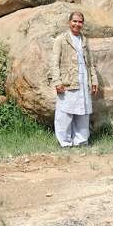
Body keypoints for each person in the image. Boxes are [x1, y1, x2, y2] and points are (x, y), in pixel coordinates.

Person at [49, 11, 98, 147]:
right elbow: (54, 62)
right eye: (74, 21)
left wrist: (94, 81)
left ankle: (81, 141)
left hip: (84, 82)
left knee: (83, 113)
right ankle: (65, 143)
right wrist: (57, 82)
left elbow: (90, 63)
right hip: (67, 82)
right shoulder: (61, 39)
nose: (77, 24)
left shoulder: (85, 40)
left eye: (80, 22)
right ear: (69, 22)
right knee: (65, 114)